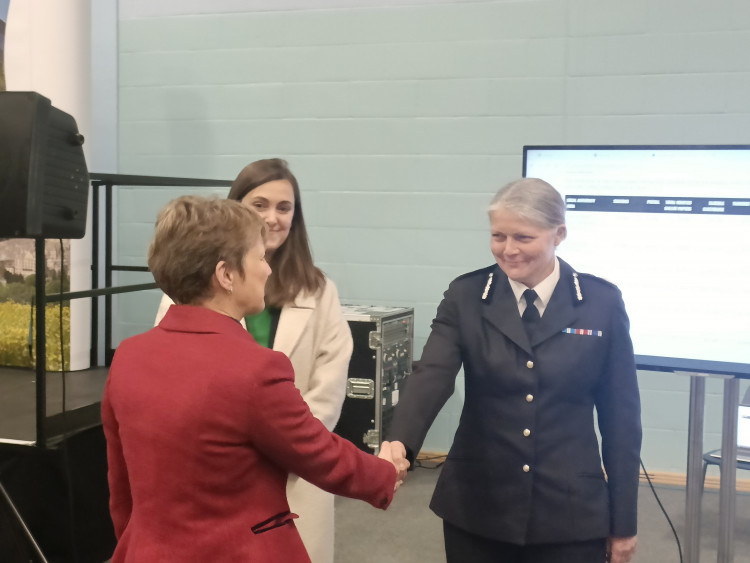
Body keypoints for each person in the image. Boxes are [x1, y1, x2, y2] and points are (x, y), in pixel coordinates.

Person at [103, 196, 404, 562]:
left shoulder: (128, 356)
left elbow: (121, 488)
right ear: (226, 275)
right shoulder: (255, 369)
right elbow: (318, 454)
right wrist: (384, 473)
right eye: (260, 258)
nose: (268, 270)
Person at [385, 178, 642, 563]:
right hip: (479, 504)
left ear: (559, 234)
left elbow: (621, 418)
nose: (508, 250)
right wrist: (399, 443)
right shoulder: (467, 296)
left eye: (523, 237)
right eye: (498, 236)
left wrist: (623, 523)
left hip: (570, 512)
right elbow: (432, 374)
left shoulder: (600, 303)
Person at [155, 159, 352, 563]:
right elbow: (173, 377)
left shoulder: (320, 289)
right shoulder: (189, 286)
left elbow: (330, 383)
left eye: (284, 208)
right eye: (259, 205)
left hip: (298, 471)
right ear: (235, 209)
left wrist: (288, 445)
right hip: (216, 474)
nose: (272, 217)